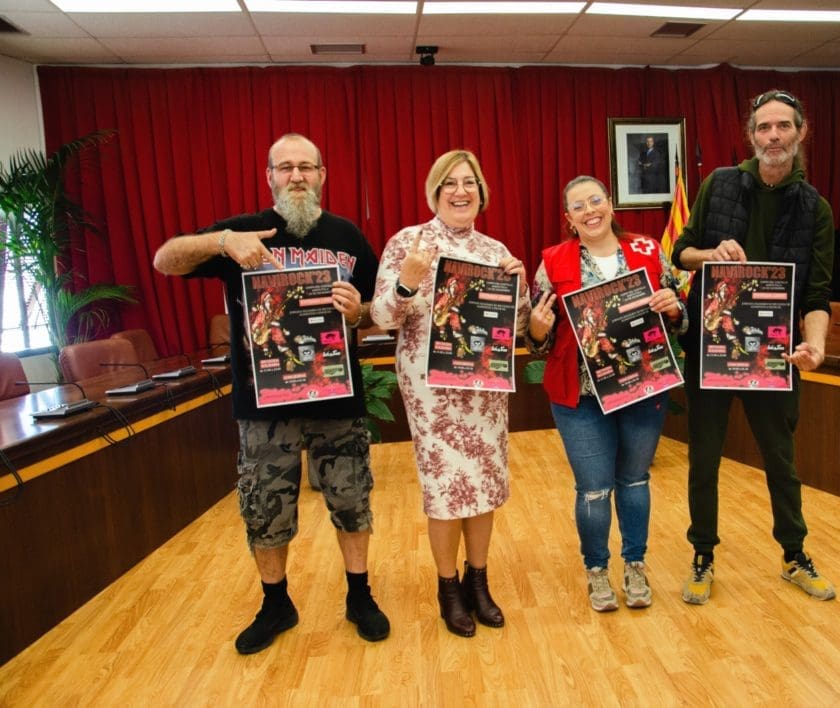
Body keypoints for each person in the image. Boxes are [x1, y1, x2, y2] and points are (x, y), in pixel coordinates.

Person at [153, 133, 391, 654]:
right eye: (286, 167)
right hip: (264, 405)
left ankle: (359, 595)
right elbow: (164, 259)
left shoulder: (347, 236)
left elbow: (378, 309)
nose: (297, 176)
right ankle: (276, 603)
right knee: (265, 507)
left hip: (336, 397)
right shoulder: (241, 231)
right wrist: (222, 242)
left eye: (307, 166)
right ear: (269, 177)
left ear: (322, 175)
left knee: (352, 500)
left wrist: (359, 314)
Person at [671, 89, 837, 604]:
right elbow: (680, 252)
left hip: (775, 356)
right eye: (764, 127)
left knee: (781, 462)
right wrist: (710, 254)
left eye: (783, 126)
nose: (773, 136)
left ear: (801, 132)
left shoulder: (816, 209)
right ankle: (702, 554)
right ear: (750, 135)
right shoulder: (719, 184)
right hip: (713, 349)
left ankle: (794, 555)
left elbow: (817, 295)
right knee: (704, 460)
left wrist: (816, 346)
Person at [370, 150, 530, 637]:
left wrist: (520, 289)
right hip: (431, 391)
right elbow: (381, 318)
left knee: (483, 485)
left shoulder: (495, 250)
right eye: (450, 184)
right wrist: (407, 282)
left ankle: (478, 581)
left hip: (484, 389)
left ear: (481, 192)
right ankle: (448, 587)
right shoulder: (408, 242)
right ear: (434, 192)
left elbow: (519, 326)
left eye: (469, 183)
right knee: (445, 489)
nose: (461, 192)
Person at [526, 175, 686, 611]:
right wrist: (536, 329)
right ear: (569, 218)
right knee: (594, 489)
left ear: (611, 205)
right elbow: (537, 337)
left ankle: (635, 563)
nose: (589, 211)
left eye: (596, 200)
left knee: (634, 480)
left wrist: (674, 309)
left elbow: (679, 313)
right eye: (578, 206)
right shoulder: (551, 262)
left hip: (643, 386)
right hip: (579, 396)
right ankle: (596, 569)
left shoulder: (649, 250)